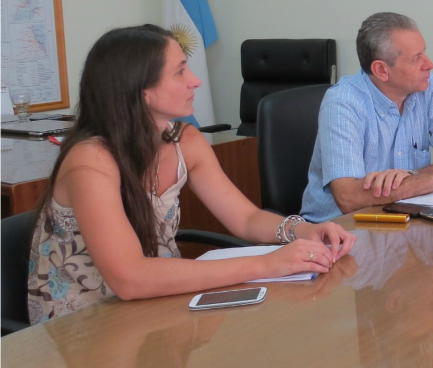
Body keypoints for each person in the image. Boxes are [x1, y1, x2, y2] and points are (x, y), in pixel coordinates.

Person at [27, 25, 355, 324]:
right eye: (180, 71)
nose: (195, 80)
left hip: (159, 305)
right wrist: (267, 264)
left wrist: (302, 230)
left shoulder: (185, 140)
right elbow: (129, 278)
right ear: (142, 90)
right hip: (83, 323)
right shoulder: (91, 161)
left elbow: (246, 219)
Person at [300, 13, 433, 223]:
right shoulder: (343, 102)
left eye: (424, 52)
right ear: (381, 70)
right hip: (339, 229)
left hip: (403, 222)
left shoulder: (429, 86)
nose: (429, 64)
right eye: (416, 58)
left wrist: (412, 177)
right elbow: (348, 198)